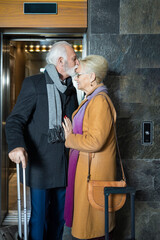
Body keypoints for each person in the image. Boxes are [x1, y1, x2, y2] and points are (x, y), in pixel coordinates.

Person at [5, 41, 79, 240]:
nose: (77, 62)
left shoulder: (71, 88)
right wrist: (16, 145)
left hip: (63, 164)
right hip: (40, 164)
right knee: (39, 218)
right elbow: (15, 120)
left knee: (59, 217)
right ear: (61, 61)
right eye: (74, 58)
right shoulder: (34, 84)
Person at [62, 55, 117, 240]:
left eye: (79, 75)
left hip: (93, 175)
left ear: (92, 76)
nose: (75, 78)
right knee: (88, 228)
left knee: (92, 231)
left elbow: (95, 142)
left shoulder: (99, 101)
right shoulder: (91, 99)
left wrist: (70, 139)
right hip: (86, 171)